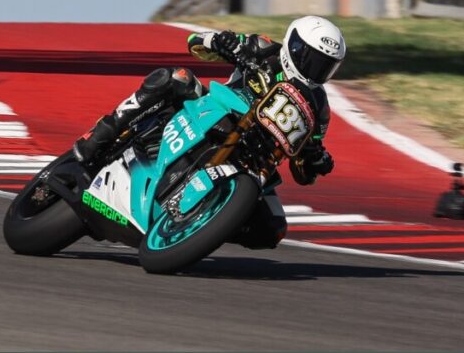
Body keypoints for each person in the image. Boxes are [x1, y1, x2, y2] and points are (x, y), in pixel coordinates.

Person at [72, 15, 346, 248]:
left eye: (325, 66)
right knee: (175, 78)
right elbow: (195, 44)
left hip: (256, 161)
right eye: (311, 59)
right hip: (217, 110)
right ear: (293, 45)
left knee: (273, 230)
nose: (315, 70)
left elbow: (303, 172)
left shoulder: (319, 109)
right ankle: (101, 133)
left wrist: (314, 161)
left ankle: (202, 222)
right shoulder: (263, 49)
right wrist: (221, 42)